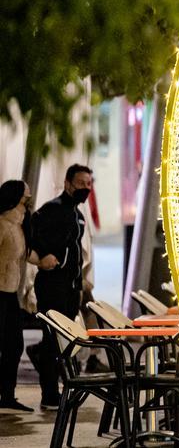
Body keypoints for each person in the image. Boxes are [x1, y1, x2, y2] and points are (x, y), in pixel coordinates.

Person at [27, 164, 92, 410]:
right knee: (53, 339)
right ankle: (50, 394)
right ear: (67, 183)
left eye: (89, 183)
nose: (86, 188)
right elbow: (32, 236)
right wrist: (45, 259)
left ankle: (58, 386)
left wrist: (79, 283)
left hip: (71, 288)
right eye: (81, 183)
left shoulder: (78, 215)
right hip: (53, 285)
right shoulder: (52, 210)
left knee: (63, 340)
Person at [0, 181, 33, 411]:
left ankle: (8, 394)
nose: (27, 204)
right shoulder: (2, 225)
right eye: (25, 199)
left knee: (14, 344)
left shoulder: (19, 226)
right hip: (0, 292)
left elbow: (26, 255)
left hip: (10, 292)